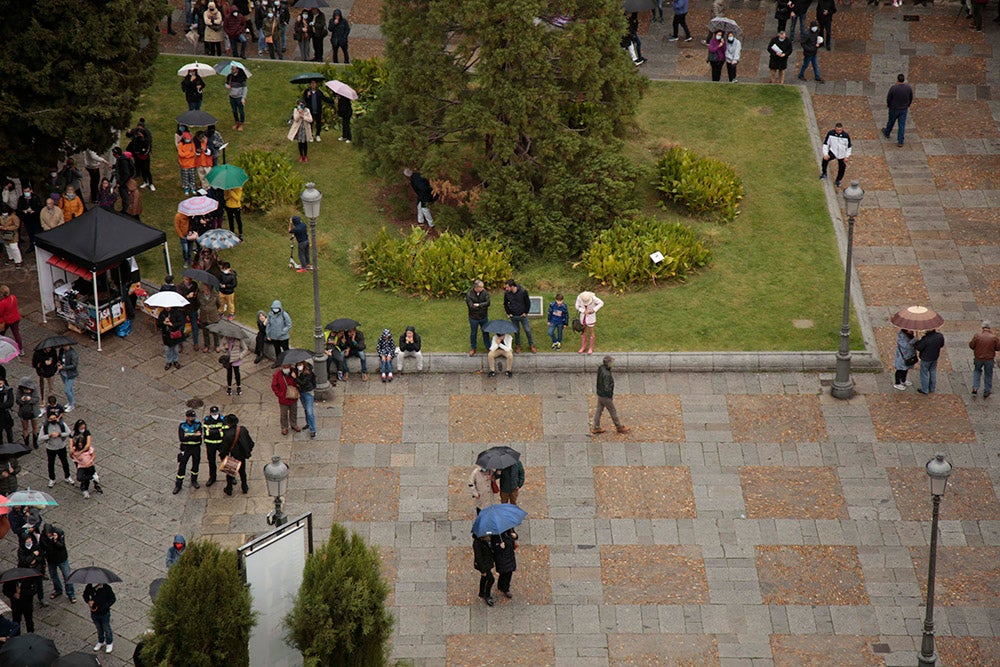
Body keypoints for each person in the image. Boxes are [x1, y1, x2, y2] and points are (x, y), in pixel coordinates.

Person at [592, 355, 631, 435]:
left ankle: (596, 427)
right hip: (606, 396)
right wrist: (610, 395)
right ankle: (619, 426)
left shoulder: (601, 368)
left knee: (599, 410)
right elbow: (607, 387)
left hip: (600, 394)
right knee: (612, 410)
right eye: (612, 362)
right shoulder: (607, 374)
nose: (613, 364)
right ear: (608, 363)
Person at [41, 524, 76, 604]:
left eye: (50, 533)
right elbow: (43, 547)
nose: (49, 535)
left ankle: (71, 593)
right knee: (54, 576)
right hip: (51, 560)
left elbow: (61, 545)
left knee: (67, 576)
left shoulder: (59, 533)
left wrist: (55, 540)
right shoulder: (43, 537)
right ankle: (58, 590)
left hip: (61, 559)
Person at [39, 411, 73, 488]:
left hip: (61, 446)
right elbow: (40, 438)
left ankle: (67, 476)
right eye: (51, 419)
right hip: (50, 448)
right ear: (48, 419)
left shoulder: (62, 424)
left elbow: (69, 433)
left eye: (54, 418)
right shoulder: (45, 426)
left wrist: (59, 434)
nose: (53, 420)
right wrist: (49, 435)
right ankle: (52, 478)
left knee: (65, 462)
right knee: (51, 464)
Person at [70, 419, 101, 499]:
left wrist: (80, 453)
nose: (82, 427)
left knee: (87, 472)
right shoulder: (73, 433)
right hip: (80, 462)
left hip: (87, 461)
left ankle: (87, 487)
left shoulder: (86, 433)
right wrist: (73, 451)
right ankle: (90, 479)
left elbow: (88, 446)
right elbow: (71, 445)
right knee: (81, 475)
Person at [175, 409, 202, 494]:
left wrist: (188, 435)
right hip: (185, 448)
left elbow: (199, 437)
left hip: (196, 448)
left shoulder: (198, 424)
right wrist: (194, 435)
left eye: (193, 417)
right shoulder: (182, 425)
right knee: (182, 466)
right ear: (187, 417)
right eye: (191, 417)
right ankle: (178, 484)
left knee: (196, 464)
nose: (192, 419)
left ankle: (194, 480)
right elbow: (182, 438)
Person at [504, 279, 535, 353]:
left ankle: (531, 345)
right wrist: (508, 313)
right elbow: (505, 304)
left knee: (527, 330)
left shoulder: (523, 292)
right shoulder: (507, 294)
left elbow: (528, 303)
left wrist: (525, 312)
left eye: (507, 287)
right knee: (516, 331)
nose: (506, 289)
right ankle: (518, 346)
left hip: (522, 315)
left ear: (512, 286)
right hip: (513, 316)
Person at [83, 582, 116, 654]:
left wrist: (104, 607)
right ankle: (101, 641)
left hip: (104, 613)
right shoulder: (90, 586)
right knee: (99, 628)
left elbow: (112, 599)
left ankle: (109, 642)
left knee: (106, 628)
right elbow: (85, 595)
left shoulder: (106, 588)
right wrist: (88, 601)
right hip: (94, 613)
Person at [969, 321, 999, 398]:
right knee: (988, 374)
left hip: (978, 358)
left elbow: (972, 346)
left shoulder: (977, 336)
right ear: (989, 328)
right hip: (989, 359)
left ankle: (975, 388)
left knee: (977, 371)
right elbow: (998, 348)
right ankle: (987, 391)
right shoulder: (994, 337)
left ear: (983, 328)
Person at [882, 74, 913, 148]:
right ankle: (900, 141)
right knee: (901, 125)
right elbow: (910, 97)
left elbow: (889, 98)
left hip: (894, 108)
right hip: (903, 109)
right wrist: (907, 105)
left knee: (891, 121)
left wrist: (889, 105)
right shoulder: (908, 88)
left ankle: (887, 132)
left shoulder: (894, 88)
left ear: (897, 79)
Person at [271, 364, 301, 435]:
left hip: (293, 397)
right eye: (284, 367)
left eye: (287, 367)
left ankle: (294, 424)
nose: (286, 369)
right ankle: (284, 427)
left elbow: (298, 382)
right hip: (283, 398)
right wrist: (279, 394)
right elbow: (274, 386)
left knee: (293, 412)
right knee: (283, 414)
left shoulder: (294, 372)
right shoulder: (277, 374)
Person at [127, 120, 155, 191]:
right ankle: (145, 181)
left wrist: (144, 153)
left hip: (145, 157)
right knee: (142, 169)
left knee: (147, 170)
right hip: (138, 156)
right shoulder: (136, 138)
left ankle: (151, 183)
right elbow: (134, 144)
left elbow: (148, 147)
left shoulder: (146, 139)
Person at [820, 123, 850, 187]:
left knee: (842, 167)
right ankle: (824, 173)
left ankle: (838, 180)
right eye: (837, 130)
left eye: (840, 130)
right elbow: (826, 144)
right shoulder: (830, 134)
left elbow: (849, 147)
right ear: (835, 129)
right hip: (833, 152)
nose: (839, 132)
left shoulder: (846, 136)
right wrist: (825, 153)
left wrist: (846, 156)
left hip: (842, 154)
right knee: (824, 160)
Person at [202, 406, 226, 487]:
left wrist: (212, 431)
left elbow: (224, 432)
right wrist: (218, 431)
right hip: (210, 444)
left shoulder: (223, 419)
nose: (215, 414)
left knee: (225, 460)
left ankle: (230, 477)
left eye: (216, 413)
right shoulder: (207, 420)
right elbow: (206, 433)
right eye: (213, 413)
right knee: (211, 461)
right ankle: (212, 477)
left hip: (221, 444)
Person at [491, 529, 517, 600]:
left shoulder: (509, 529)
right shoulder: (495, 536)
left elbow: (514, 536)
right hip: (501, 559)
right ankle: (502, 587)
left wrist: (515, 536)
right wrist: (499, 547)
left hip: (510, 556)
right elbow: (493, 548)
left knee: (509, 573)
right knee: (504, 573)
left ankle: (505, 587)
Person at [467, 280, 491, 356]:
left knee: (486, 332)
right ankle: (473, 347)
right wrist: (482, 306)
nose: (483, 288)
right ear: (476, 287)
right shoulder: (469, 294)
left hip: (483, 316)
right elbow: (471, 306)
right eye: (481, 287)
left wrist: (479, 305)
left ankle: (488, 347)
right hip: (473, 317)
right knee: (473, 333)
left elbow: (488, 303)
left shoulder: (485, 292)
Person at [265, 300, 292, 365]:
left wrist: (282, 332)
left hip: (283, 337)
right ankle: (278, 362)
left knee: (286, 350)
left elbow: (289, 324)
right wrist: (268, 334)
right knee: (277, 350)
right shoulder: (270, 314)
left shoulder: (284, 314)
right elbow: (268, 325)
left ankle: (288, 362)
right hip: (274, 337)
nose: (275, 309)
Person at [15, 184, 41, 251]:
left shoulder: (35, 197)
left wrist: (34, 211)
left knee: (36, 232)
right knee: (30, 233)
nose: (27, 193)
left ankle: (38, 246)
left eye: (28, 191)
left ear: (31, 191)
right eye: (25, 191)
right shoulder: (21, 198)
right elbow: (19, 208)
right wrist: (24, 211)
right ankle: (32, 245)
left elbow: (39, 207)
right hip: (27, 219)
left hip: (35, 219)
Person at [294, 363, 317, 438]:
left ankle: (313, 429)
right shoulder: (297, 372)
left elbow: (303, 383)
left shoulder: (308, 373)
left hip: (308, 393)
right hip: (302, 392)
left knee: (309, 411)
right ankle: (308, 423)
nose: (299, 367)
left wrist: (295, 378)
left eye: (300, 365)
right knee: (306, 409)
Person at [197, 284, 222, 353]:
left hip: (213, 317)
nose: (206, 291)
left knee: (215, 333)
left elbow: (218, 304)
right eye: (204, 289)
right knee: (205, 332)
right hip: (204, 317)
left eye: (207, 289)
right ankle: (206, 345)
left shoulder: (215, 295)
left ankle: (217, 345)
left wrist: (212, 309)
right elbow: (198, 304)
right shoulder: (200, 295)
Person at [473, 534, 496, 607]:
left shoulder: (485, 541)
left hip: (487, 562)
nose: (489, 536)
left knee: (484, 578)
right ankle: (487, 595)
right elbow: (478, 558)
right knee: (491, 579)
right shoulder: (477, 544)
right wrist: (483, 570)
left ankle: (481, 592)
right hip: (484, 565)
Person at [158, 306, 184, 370]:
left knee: (175, 349)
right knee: (167, 350)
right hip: (166, 335)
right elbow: (158, 324)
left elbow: (180, 322)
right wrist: (163, 323)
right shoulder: (162, 314)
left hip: (174, 334)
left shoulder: (176, 313)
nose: (167, 308)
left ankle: (176, 361)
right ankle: (168, 362)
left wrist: (171, 324)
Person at [16, 377, 39, 450]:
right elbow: (17, 401)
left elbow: (36, 399)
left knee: (34, 427)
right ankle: (26, 444)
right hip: (23, 411)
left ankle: (35, 442)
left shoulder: (34, 389)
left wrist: (29, 400)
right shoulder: (19, 390)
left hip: (33, 411)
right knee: (25, 428)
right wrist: (22, 400)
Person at [227, 65, 248, 131]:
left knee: (241, 111)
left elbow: (245, 88)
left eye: (233, 69)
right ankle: (237, 122)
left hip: (239, 97)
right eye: (231, 69)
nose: (232, 70)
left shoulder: (241, 78)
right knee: (234, 111)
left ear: (237, 69)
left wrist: (243, 98)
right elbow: (226, 83)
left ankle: (241, 123)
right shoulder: (230, 76)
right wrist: (227, 86)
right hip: (232, 97)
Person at [57, 344, 78, 413]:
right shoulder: (62, 350)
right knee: (70, 389)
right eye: (63, 346)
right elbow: (60, 358)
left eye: (66, 346)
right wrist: (59, 362)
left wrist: (63, 367)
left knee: (67, 390)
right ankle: (70, 401)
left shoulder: (73, 353)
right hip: (63, 373)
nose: (64, 347)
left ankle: (72, 404)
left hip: (70, 374)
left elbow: (74, 365)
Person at [177, 131, 197, 196]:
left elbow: (193, 153)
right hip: (184, 165)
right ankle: (186, 188)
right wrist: (189, 153)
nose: (188, 140)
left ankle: (193, 188)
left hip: (192, 164)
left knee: (192, 177)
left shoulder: (192, 144)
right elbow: (181, 154)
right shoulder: (180, 144)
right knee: (185, 178)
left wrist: (186, 155)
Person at [0, 376, 13, 446]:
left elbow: (10, 402)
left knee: (9, 431)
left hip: (6, 414)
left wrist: (1, 406)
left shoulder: (8, 390)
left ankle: (11, 445)